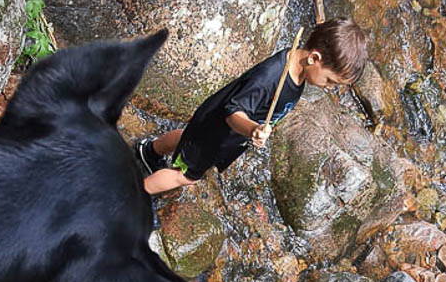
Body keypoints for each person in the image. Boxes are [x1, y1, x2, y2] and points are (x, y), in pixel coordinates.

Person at [134, 18, 368, 195]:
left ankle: (150, 151)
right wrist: (252, 130)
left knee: (188, 138)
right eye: (330, 81)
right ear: (314, 59)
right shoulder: (270, 78)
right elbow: (232, 112)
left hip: (215, 130)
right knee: (185, 176)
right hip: (220, 129)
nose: (328, 87)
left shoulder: (298, 69)